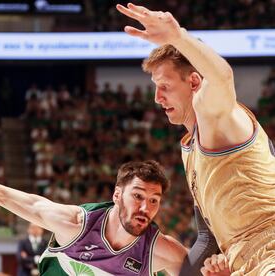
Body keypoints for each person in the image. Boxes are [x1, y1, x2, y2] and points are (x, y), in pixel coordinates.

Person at [116, 3, 275, 276]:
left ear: (193, 83)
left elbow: (222, 77)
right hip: (244, 263)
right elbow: (207, 238)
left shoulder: (217, 118)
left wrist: (177, 37)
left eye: (164, 87)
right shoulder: (190, 147)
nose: (157, 98)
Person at [0, 160, 188, 275]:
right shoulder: (74, 225)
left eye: (154, 200)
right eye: (138, 196)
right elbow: (0, 195)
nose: (145, 207)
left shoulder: (162, 251)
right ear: (117, 195)